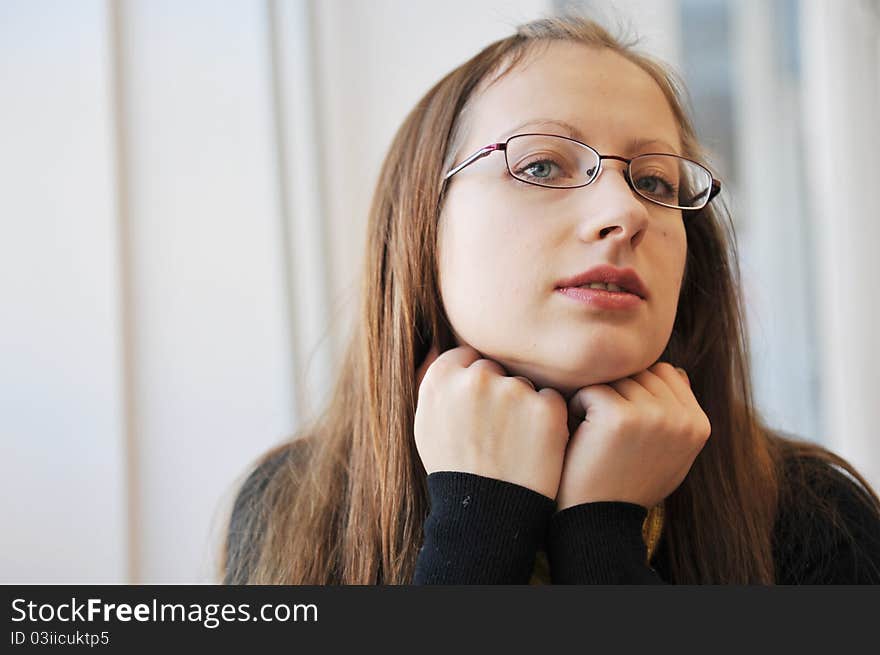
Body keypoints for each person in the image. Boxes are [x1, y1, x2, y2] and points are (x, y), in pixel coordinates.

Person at [220, 15, 880, 584]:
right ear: (422, 226)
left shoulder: (815, 518)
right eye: (541, 166)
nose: (625, 212)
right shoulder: (293, 504)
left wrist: (602, 541)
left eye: (653, 179)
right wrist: (480, 523)